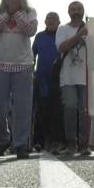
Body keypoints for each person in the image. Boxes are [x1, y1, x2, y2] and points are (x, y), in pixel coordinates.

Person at [0, 0, 39, 159]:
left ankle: (20, 144)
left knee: (23, 108)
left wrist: (16, 12)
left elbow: (30, 30)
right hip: (0, 65)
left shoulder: (30, 12)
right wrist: (7, 13)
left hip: (23, 65)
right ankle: (3, 139)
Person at [55, 1, 90, 156]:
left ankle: (84, 145)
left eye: (79, 9)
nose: (76, 11)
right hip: (68, 77)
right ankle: (70, 144)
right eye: (73, 9)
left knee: (85, 112)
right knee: (69, 110)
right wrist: (78, 37)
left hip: (86, 77)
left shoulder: (92, 28)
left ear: (83, 11)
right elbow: (61, 47)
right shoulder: (62, 29)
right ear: (68, 12)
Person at [32, 12, 61, 153]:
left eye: (54, 18)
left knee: (56, 111)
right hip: (42, 79)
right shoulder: (39, 36)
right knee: (42, 111)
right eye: (48, 18)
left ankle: (56, 141)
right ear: (44, 21)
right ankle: (39, 141)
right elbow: (32, 55)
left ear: (59, 22)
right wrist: (30, 73)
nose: (51, 20)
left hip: (59, 79)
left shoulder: (62, 35)